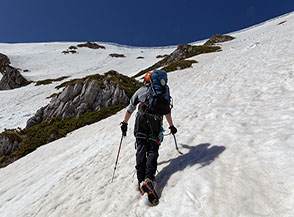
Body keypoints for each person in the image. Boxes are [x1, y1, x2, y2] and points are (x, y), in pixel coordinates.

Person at [120, 71, 177, 194]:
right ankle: (149, 178)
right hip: (155, 126)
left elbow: (131, 108)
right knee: (152, 150)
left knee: (141, 150)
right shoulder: (162, 92)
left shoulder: (140, 91)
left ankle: (141, 180)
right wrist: (171, 126)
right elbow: (166, 111)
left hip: (141, 124)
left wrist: (125, 123)